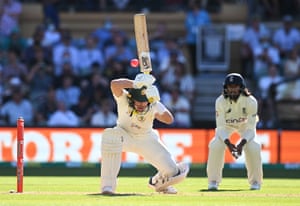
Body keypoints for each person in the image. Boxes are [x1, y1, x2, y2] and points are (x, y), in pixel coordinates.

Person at [100, 73, 189, 195]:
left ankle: (158, 182)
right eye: (138, 101)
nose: (141, 105)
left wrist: (157, 103)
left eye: (144, 102)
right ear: (132, 98)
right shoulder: (124, 98)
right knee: (110, 135)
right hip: (124, 134)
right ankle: (108, 187)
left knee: (172, 170)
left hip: (146, 139)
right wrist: (136, 84)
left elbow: (169, 119)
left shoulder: (152, 103)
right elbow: (114, 84)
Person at [206, 73, 263, 191]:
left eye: (235, 86)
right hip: (227, 126)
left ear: (241, 87)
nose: (232, 90)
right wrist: (228, 143)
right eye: (229, 87)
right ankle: (213, 181)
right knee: (215, 145)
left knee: (253, 147)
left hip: (245, 125)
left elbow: (251, 128)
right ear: (225, 88)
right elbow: (220, 127)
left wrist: (241, 144)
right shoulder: (220, 101)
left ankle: (255, 182)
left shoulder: (251, 101)